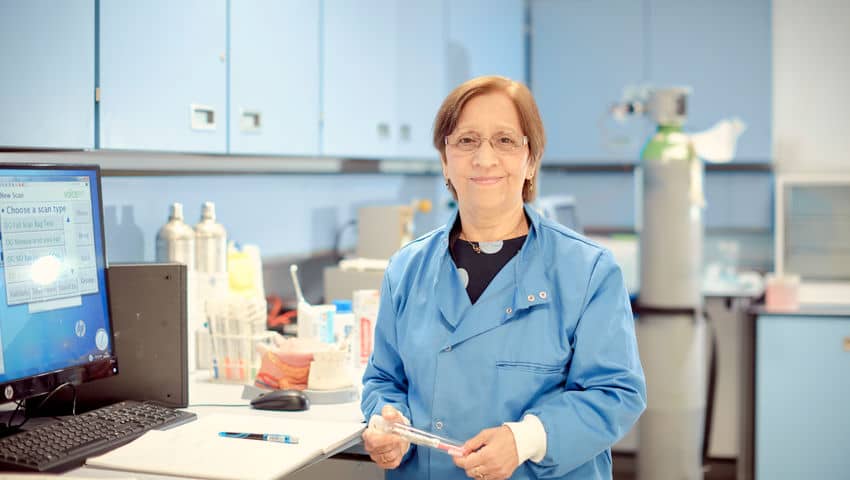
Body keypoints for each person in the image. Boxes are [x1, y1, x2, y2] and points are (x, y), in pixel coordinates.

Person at [360, 76, 646, 480]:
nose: (485, 158)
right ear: (445, 160)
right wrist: (388, 421)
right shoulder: (406, 269)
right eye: (466, 141)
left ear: (531, 160)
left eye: (505, 141)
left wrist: (525, 439)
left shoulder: (587, 271)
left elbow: (616, 393)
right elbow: (383, 379)